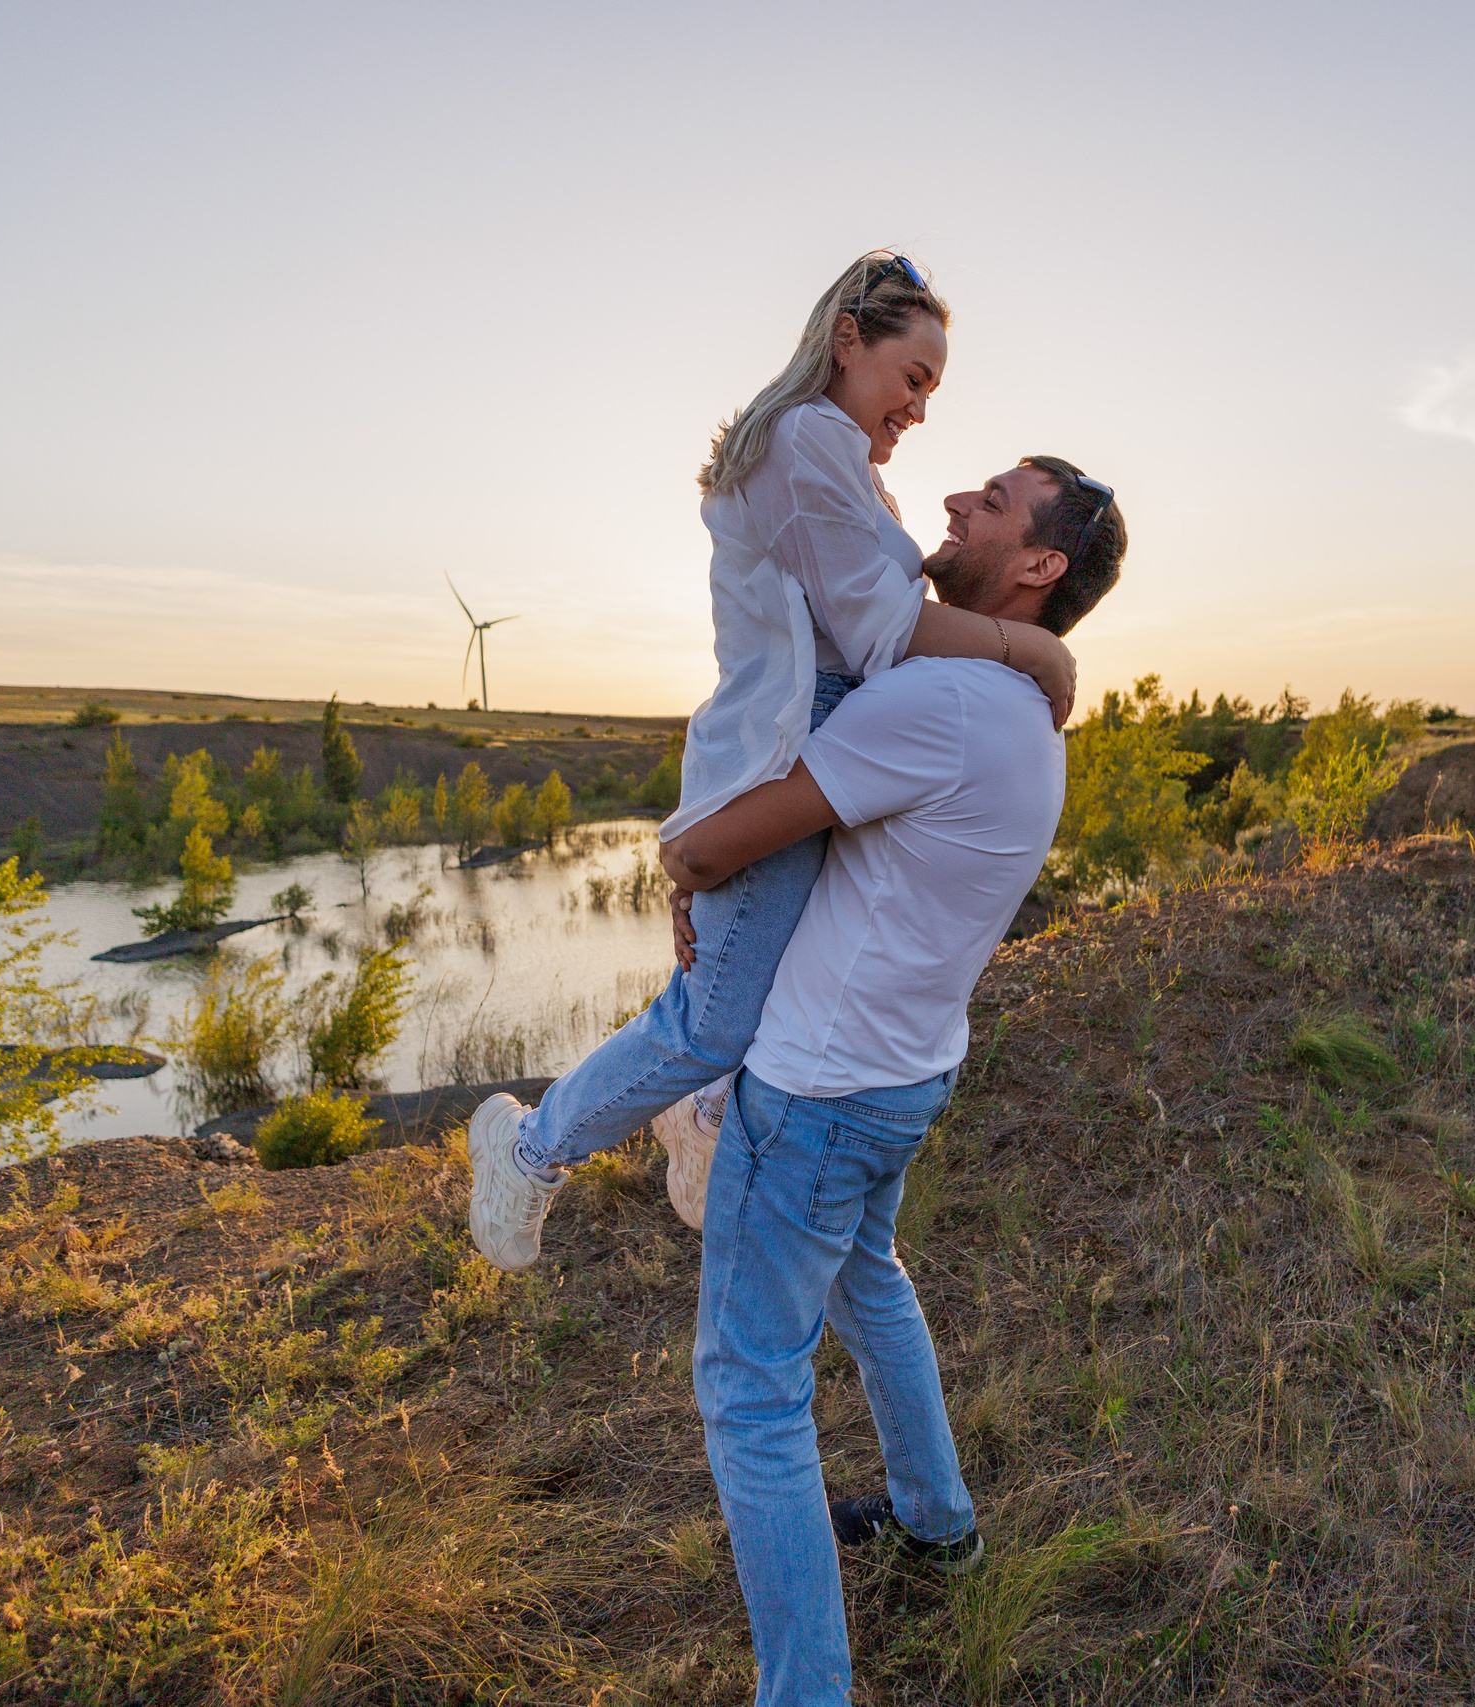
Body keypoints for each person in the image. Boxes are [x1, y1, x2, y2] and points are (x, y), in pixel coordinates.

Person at [465, 251, 1079, 1271]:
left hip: (828, 742)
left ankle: (698, 1123)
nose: (920, 408)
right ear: (848, 339)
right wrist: (1033, 647)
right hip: (790, 743)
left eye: (932, 388)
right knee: (714, 1022)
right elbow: (883, 632)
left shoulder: (850, 466)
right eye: (913, 378)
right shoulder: (805, 442)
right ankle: (528, 1152)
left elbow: (888, 616)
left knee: (781, 979)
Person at [659, 456, 1128, 1707]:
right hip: (905, 1073)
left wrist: (682, 866)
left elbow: (734, 832)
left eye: (992, 501)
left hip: (818, 1089)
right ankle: (937, 1520)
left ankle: (804, 1692)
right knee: (871, 1281)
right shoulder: (1012, 705)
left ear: (1036, 566)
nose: (958, 502)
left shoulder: (943, 703)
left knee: (750, 1392)